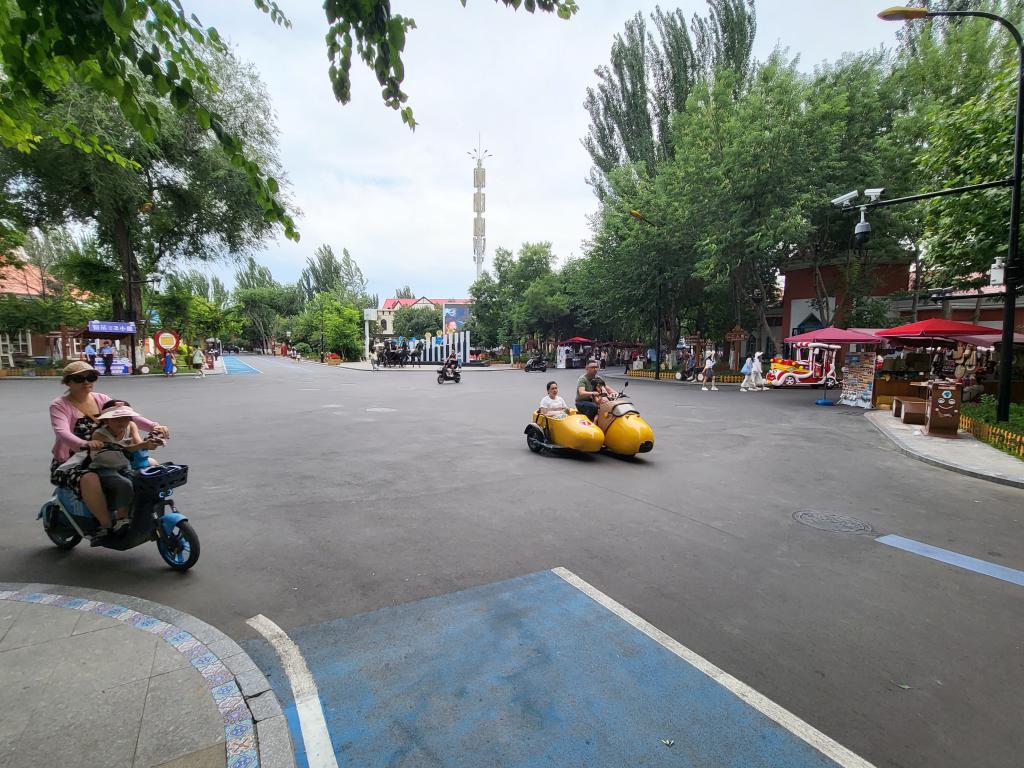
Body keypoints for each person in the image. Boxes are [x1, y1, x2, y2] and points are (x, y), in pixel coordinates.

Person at [49, 361, 169, 545]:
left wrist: (155, 426)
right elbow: (62, 432)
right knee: (90, 479)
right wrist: (85, 444)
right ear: (67, 382)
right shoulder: (59, 405)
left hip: (111, 454)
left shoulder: (101, 399)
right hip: (74, 460)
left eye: (91, 377)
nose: (86, 382)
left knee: (150, 466)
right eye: (79, 378)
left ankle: (137, 514)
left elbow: (130, 416)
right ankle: (107, 526)